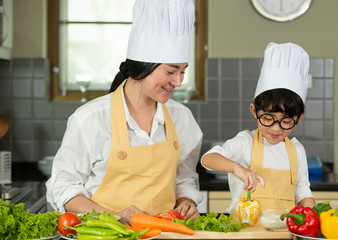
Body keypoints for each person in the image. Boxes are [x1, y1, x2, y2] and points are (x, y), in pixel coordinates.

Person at [46, 0, 203, 224]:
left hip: (166, 233)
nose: (178, 81)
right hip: (105, 235)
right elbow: (63, 187)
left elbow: (185, 178)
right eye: (171, 71)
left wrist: (186, 201)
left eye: (183, 71)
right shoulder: (91, 118)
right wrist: (117, 218)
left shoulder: (182, 118)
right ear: (142, 67)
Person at [201, 42, 316, 214]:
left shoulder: (297, 151)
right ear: (254, 111)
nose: (276, 129)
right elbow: (208, 160)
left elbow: (303, 192)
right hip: (245, 232)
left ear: (299, 117)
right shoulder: (245, 142)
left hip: (282, 232)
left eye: (286, 122)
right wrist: (236, 167)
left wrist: (315, 218)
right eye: (268, 118)